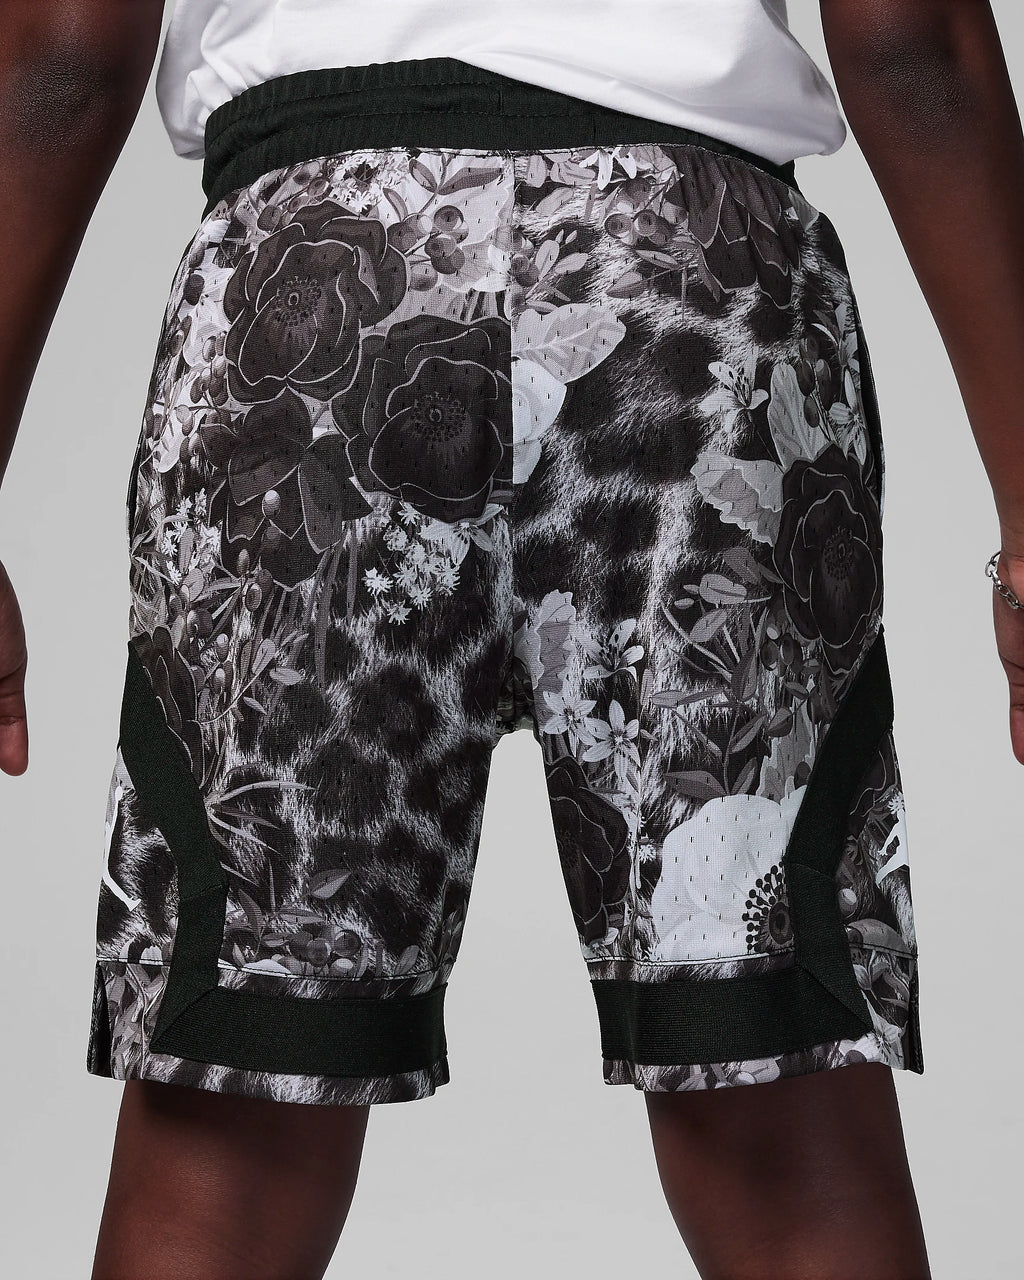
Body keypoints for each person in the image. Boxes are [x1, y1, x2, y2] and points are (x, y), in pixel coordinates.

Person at [2, 1, 1022, 1276]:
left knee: (234, 1097)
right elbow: (908, 41)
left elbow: (64, 56)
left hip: (320, 296)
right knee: (780, 1086)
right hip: (686, 294)